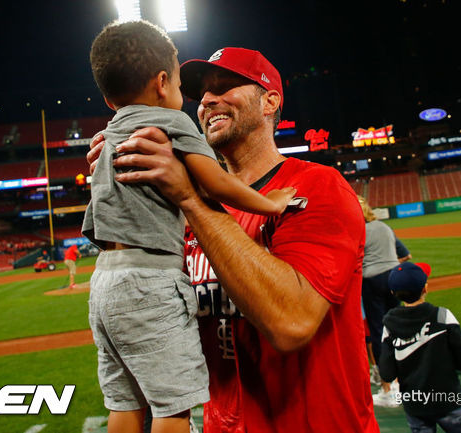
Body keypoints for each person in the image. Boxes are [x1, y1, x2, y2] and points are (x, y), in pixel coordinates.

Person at [88, 46, 379, 432]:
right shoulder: (180, 209)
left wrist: (191, 198)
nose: (208, 100)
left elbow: (291, 322)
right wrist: (120, 181)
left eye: (226, 86)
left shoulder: (316, 187)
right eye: (202, 94)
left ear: (270, 101)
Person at [82, 22, 296, 433]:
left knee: (125, 403)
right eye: (191, 87)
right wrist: (269, 203)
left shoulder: (109, 136)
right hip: (150, 279)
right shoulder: (171, 122)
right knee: (171, 406)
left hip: (105, 282)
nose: (203, 100)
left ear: (109, 99)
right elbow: (215, 181)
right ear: (163, 82)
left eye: (224, 87)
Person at [379, 262, 461, 433]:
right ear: (425, 288)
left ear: (393, 293)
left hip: (415, 405)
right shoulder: (442, 316)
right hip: (449, 400)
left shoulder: (389, 325)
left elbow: (387, 373)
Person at [356, 195, 402, 407]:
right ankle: (403, 385)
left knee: (378, 332)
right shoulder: (384, 227)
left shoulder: (358, 231)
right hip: (394, 276)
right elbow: (403, 254)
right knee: (398, 329)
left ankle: (387, 389)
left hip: (372, 280)